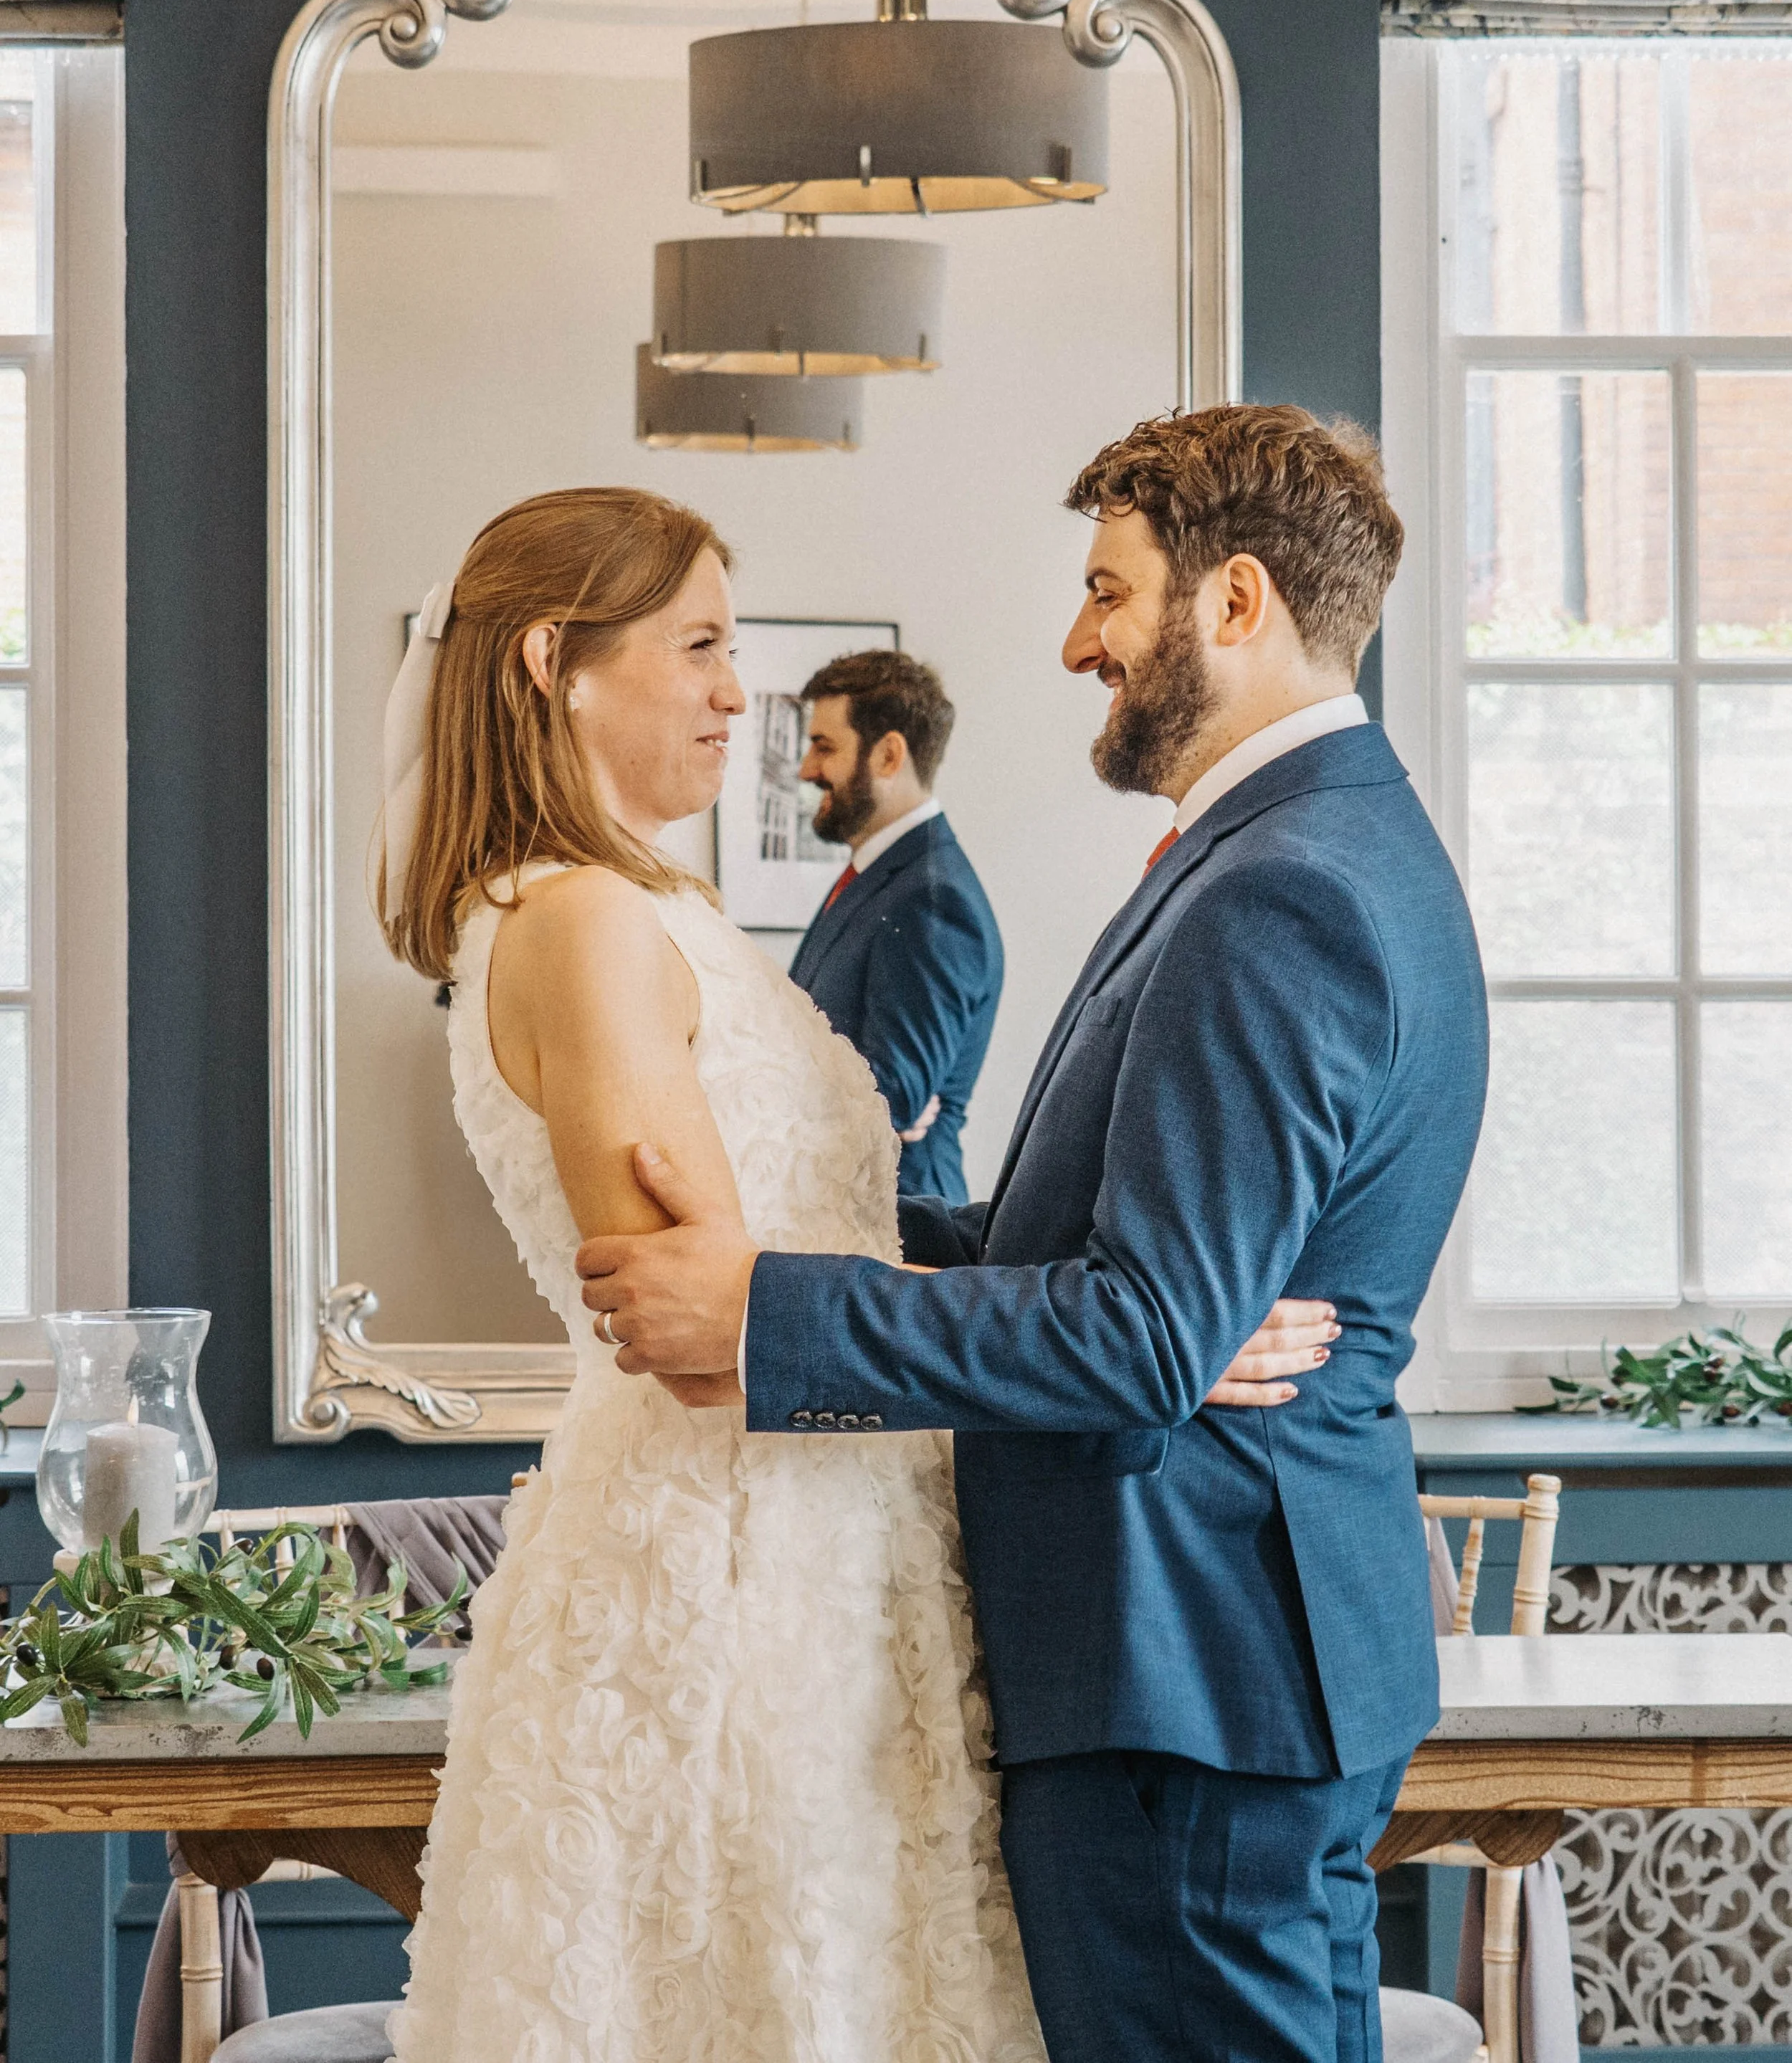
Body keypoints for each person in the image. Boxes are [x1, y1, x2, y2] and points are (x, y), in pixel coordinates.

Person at [576, 406, 1492, 2063]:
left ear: (1233, 603)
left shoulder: (1280, 889)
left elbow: (1140, 1333)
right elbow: (1114, 1262)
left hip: (1185, 1675)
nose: (1077, 641)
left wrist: (765, 1313)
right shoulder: (1311, 847)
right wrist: (814, 1218)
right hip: (1222, 1659)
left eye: (1107, 593)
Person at [373, 480, 1331, 2063]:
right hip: (728, 1578)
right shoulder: (582, 928)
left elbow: (810, 1250)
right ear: (554, 658)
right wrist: (1137, 1338)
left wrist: (1147, 1320)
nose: (737, 694)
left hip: (829, 1555)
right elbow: (705, 1323)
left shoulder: (656, 911)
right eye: (697, 647)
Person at [791, 648, 1001, 1206]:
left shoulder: (933, 899)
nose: (806, 770)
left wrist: (884, 1107)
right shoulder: (878, 876)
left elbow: (888, 1102)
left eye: (824, 747)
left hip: (896, 1230)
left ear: (888, 755)